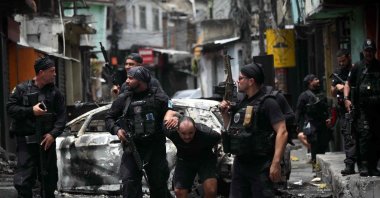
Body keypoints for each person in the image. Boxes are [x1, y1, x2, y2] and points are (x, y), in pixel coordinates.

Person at [219, 63, 288, 197]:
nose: (238, 81)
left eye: (241, 78)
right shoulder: (241, 102)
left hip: (260, 164)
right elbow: (233, 129)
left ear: (251, 81)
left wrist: (276, 162)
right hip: (241, 163)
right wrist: (224, 114)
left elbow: (282, 131)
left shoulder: (268, 102)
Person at [105, 66, 172, 197]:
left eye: (130, 78)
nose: (127, 81)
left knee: (159, 186)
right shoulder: (124, 98)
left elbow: (171, 106)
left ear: (141, 80)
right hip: (132, 148)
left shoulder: (158, 96)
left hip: (155, 148)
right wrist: (117, 130)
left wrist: (170, 113)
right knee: (129, 184)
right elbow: (109, 118)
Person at [6, 56, 67, 198]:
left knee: (49, 180)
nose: (55, 74)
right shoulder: (21, 89)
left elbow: (62, 117)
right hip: (26, 143)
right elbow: (10, 108)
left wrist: (53, 134)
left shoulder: (55, 93)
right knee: (24, 180)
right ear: (41, 72)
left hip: (46, 142)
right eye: (52, 71)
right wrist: (30, 111)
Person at [344, 38, 380, 177]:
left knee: (376, 137)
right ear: (363, 52)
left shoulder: (378, 66)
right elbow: (347, 84)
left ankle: (373, 166)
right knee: (364, 137)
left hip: (377, 110)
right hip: (362, 110)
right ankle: (363, 166)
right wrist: (347, 99)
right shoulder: (357, 67)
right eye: (366, 51)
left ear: (375, 52)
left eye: (371, 51)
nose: (369, 53)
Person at [163, 116, 220, 198]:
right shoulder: (171, 131)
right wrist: (174, 116)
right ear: (178, 130)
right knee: (179, 191)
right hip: (184, 160)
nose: (187, 137)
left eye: (191, 133)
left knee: (211, 190)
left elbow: (219, 138)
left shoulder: (207, 133)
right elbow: (168, 110)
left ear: (195, 129)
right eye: (183, 133)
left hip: (205, 159)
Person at [330, 49, 357, 175]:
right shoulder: (337, 73)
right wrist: (337, 87)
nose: (341, 63)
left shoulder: (355, 69)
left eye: (343, 61)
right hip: (343, 110)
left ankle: (364, 165)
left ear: (349, 57)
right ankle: (350, 165)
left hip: (357, 106)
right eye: (339, 61)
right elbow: (331, 92)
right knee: (348, 137)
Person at [295, 74, 331, 168]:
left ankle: (321, 168)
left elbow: (327, 108)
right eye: (316, 79)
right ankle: (316, 168)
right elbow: (299, 111)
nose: (318, 81)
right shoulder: (304, 96)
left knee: (323, 146)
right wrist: (297, 125)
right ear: (310, 82)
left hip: (322, 124)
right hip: (312, 124)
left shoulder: (321, 94)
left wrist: (329, 118)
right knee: (314, 146)